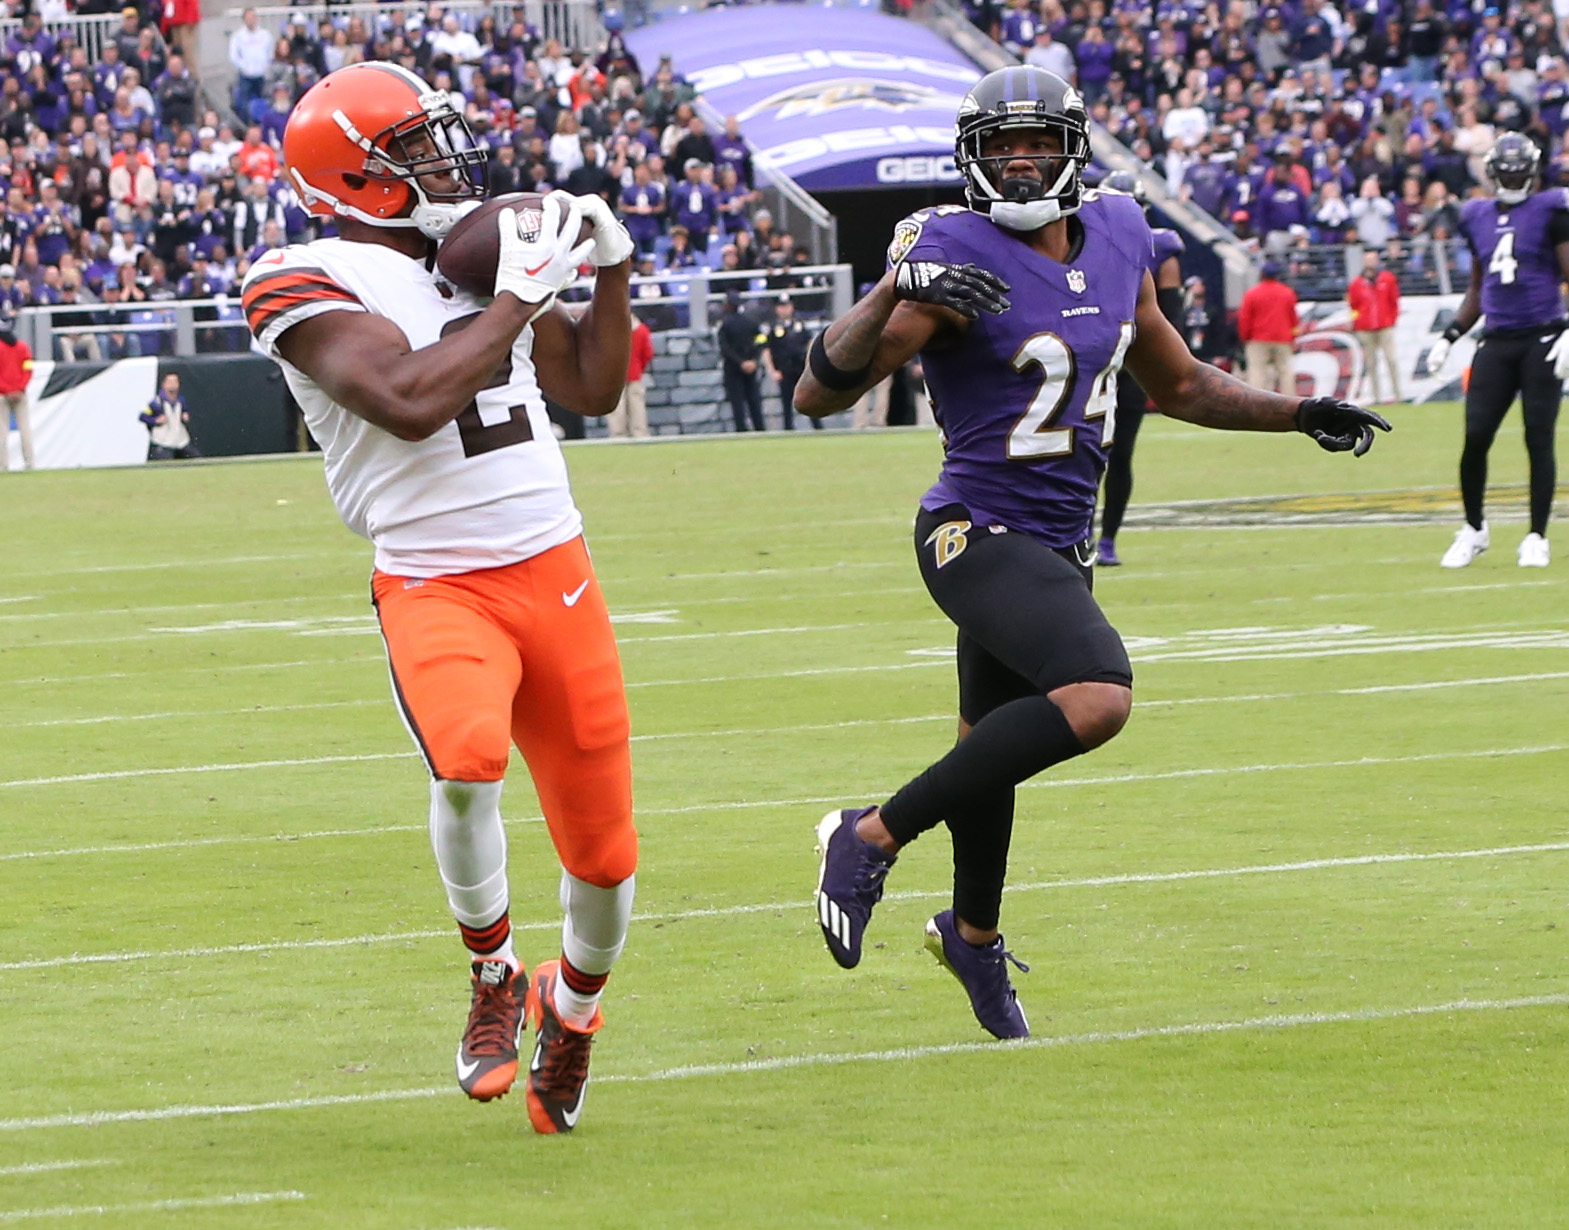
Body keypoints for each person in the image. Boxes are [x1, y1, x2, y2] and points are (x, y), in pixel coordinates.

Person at [795, 66, 1388, 1039]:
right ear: (972, 157)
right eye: (1000, 146)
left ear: (1073, 148)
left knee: (987, 750)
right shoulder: (949, 248)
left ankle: (973, 940)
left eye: (1035, 143)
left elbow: (1183, 384)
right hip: (974, 532)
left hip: (1057, 544)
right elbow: (820, 392)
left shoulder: (1118, 230)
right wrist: (894, 285)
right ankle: (866, 837)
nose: (1019, 161)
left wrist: (1299, 413)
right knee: (1097, 692)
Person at [240, 62, 639, 1134]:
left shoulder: (475, 254)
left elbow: (593, 388)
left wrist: (609, 268)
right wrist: (520, 294)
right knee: (466, 758)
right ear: (355, 179)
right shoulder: (294, 276)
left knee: (605, 858)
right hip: (433, 573)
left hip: (555, 566)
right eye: (412, 150)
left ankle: (575, 1013)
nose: (443, 163)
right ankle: (496, 970)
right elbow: (407, 399)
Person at [1427, 133, 1568, 569]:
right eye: (1504, 170)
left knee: (1537, 437)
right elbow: (1477, 288)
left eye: (1518, 169)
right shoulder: (1476, 215)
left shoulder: (1551, 211)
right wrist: (1450, 334)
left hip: (1543, 336)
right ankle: (1474, 528)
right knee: (1475, 436)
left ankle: (1536, 535)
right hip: (1497, 338)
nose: (1511, 176)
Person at [1094, 171, 1185, 567]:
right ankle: (1089, 537)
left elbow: (1171, 313)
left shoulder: (1160, 247)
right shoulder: (1078, 241)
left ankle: (1105, 538)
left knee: (1115, 455)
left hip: (1120, 360)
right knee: (1087, 453)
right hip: (1100, 358)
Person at [1346, 249, 1402, 405]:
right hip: (1366, 327)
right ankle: (1376, 396)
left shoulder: (1387, 279)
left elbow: (1394, 301)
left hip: (1385, 325)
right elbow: (1353, 305)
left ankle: (1398, 395)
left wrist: (1392, 319)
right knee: (1371, 363)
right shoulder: (1356, 284)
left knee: (1391, 359)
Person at [1238, 261, 1298, 395]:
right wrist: (1293, 337)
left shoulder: (1252, 293)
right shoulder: (1287, 293)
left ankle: (1256, 401)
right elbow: (1293, 318)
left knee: (1257, 371)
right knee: (1285, 372)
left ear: (1261, 275)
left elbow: (1245, 318)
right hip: (1283, 338)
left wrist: (1245, 337)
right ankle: (1290, 401)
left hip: (1258, 338)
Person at [763, 292, 814, 431]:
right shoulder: (772, 328)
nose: (784, 309)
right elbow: (766, 350)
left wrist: (811, 366)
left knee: (809, 399)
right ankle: (788, 428)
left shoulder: (800, 325)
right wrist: (772, 370)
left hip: (801, 368)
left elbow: (809, 344)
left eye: (787, 306)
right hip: (784, 370)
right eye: (781, 307)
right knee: (786, 402)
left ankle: (817, 427)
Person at [717, 287, 764, 431]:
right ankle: (759, 428)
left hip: (734, 367)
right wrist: (754, 360)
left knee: (737, 402)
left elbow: (724, 348)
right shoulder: (751, 321)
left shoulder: (725, 324)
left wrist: (740, 362)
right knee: (754, 400)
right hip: (751, 366)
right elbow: (761, 340)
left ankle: (741, 429)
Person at [607, 307, 653, 438]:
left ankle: (618, 434)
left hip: (615, 374)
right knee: (637, 405)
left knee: (616, 407)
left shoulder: (611, 332)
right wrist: (640, 367)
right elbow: (648, 353)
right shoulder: (642, 330)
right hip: (635, 373)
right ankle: (640, 433)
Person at [140, 371, 201, 459]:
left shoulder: (181, 400)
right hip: (164, 442)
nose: (173, 385)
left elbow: (184, 411)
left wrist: (184, 416)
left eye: (175, 382)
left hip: (181, 440)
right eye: (170, 382)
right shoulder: (156, 402)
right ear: (164, 384)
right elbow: (143, 416)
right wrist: (155, 420)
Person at [0, 316, 33, 471]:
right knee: (25, 429)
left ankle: (3, 465)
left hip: (2, 394)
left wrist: (6, 389)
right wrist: (20, 387)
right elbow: (28, 369)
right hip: (20, 394)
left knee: (2, 432)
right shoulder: (23, 347)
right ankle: (30, 463)